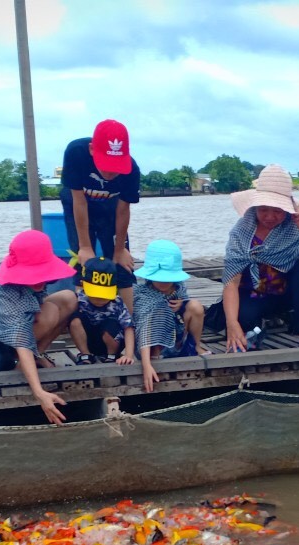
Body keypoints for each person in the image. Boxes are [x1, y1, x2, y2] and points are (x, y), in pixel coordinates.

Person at [213, 164, 299, 351]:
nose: (269, 216)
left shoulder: (294, 226)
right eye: (263, 210)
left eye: (277, 210)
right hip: (253, 292)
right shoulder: (241, 232)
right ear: (255, 207)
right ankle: (270, 319)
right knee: (242, 318)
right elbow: (231, 281)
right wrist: (232, 323)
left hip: (286, 292)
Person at [0, 229, 80, 425]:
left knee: (69, 298)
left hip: (24, 321)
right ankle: (22, 364)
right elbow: (21, 339)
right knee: (50, 314)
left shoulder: (34, 279)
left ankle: (37, 354)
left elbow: (37, 302)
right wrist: (39, 393)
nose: (40, 279)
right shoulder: (1, 290)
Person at [60, 119, 140, 310]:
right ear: (91, 149)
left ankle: (129, 321)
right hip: (77, 203)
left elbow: (123, 210)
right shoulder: (76, 153)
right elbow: (78, 202)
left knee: (121, 263)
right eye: (107, 165)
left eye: (116, 166)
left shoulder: (132, 170)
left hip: (110, 207)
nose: (111, 172)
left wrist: (119, 249)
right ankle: (84, 316)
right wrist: (86, 246)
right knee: (83, 260)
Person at [132, 239, 208, 392]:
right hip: (150, 345)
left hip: (176, 336)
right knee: (159, 311)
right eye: (159, 278)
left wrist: (182, 305)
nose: (163, 282)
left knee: (195, 306)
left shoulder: (179, 288)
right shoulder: (142, 293)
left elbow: (186, 306)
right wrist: (146, 365)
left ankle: (196, 346)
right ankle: (155, 356)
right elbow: (144, 328)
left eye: (167, 278)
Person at [70, 257, 135, 365]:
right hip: (89, 340)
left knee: (110, 323)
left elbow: (128, 327)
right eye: (95, 295)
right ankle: (85, 354)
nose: (99, 300)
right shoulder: (79, 298)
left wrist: (129, 354)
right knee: (75, 320)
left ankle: (112, 355)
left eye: (104, 296)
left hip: (112, 339)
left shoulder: (117, 302)